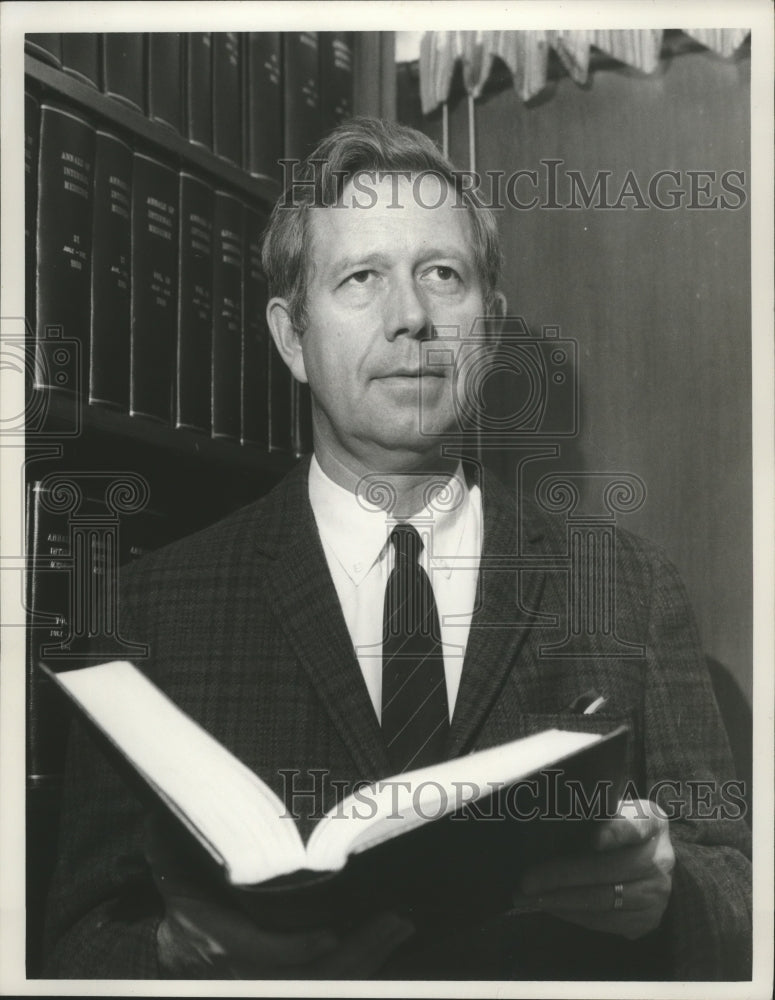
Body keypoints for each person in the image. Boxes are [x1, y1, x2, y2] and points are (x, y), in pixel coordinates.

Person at [40, 117, 751, 981]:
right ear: (291, 338)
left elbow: (741, 902)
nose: (409, 317)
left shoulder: (629, 588)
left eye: (440, 275)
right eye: (361, 278)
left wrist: (663, 897)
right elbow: (69, 945)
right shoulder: (144, 609)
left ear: (486, 325)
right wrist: (172, 951)